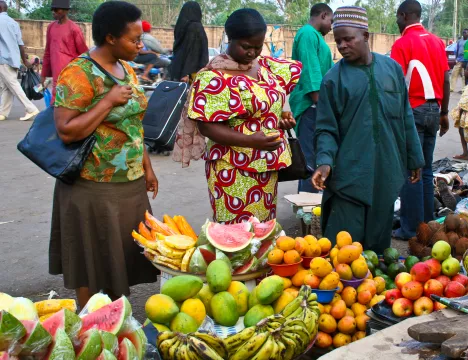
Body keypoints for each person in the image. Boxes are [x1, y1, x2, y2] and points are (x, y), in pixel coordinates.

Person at [50, 1, 159, 307]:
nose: (140, 45)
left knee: (120, 258)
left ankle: (116, 321)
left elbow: (133, 124)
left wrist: (147, 167)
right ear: (111, 38)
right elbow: (66, 130)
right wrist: (107, 101)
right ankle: (90, 329)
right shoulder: (78, 73)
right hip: (92, 186)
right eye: (134, 40)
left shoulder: (125, 68)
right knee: (90, 262)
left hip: (130, 184)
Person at [312, 6, 425, 253]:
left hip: (386, 171)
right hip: (349, 176)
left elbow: (405, 116)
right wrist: (324, 162)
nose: (341, 45)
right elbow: (326, 129)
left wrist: (415, 157)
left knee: (377, 251)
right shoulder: (333, 79)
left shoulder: (392, 70)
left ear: (366, 36)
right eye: (337, 40)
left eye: (348, 38)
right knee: (343, 253)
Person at [173, 9, 300, 223]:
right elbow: (207, 127)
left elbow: (262, 109)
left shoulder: (264, 68)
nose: (252, 53)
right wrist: (251, 141)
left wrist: (280, 118)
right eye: (245, 46)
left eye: (257, 47)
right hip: (231, 168)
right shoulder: (214, 77)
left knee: (262, 230)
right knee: (235, 232)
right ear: (229, 39)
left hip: (265, 167)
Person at [389, 0, 449, 240]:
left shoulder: (402, 44)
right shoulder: (437, 41)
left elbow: (395, 84)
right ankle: (427, 225)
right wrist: (444, 112)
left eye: (397, 17)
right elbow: (445, 78)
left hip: (413, 111)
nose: (396, 22)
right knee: (425, 170)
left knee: (410, 170)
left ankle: (410, 229)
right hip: (434, 109)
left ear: (404, 16)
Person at [290, 3, 334, 194]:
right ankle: (308, 214)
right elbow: (310, 74)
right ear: (323, 15)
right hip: (311, 106)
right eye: (331, 21)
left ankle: (313, 209)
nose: (331, 27)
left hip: (317, 105)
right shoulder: (308, 34)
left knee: (318, 159)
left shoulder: (315, 37)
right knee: (310, 161)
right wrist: (321, 104)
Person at [41, 0, 88, 105]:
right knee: (55, 102)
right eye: (52, 9)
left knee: (68, 103)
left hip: (70, 74)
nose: (53, 12)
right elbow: (48, 52)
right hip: (56, 74)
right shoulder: (51, 27)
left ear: (65, 11)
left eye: (56, 9)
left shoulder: (74, 29)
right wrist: (43, 74)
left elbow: (84, 53)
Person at [0, 1, 39, 121]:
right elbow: (20, 44)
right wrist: (24, 61)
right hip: (14, 59)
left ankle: (31, 109)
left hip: (3, 58)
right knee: (6, 86)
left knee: (12, 84)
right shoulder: (13, 23)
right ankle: (3, 113)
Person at [169, 1, 208, 82]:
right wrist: (186, 73)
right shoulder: (195, 27)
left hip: (177, 69)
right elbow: (193, 52)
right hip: (190, 74)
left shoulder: (181, 26)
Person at [450, 29, 468, 93]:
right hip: (459, 60)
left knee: (464, 75)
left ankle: (464, 89)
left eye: (465, 33)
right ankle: (451, 88)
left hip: (465, 61)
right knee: (453, 73)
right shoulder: (459, 41)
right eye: (463, 33)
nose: (464, 34)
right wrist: (456, 58)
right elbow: (456, 50)